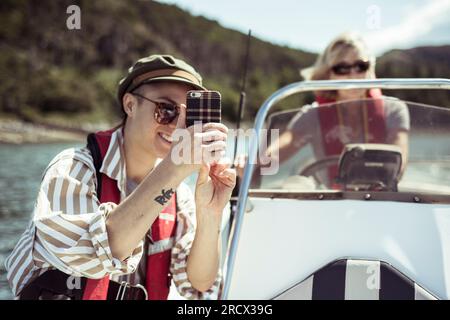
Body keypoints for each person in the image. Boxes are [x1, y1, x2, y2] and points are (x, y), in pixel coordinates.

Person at [5, 54, 236, 300]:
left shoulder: (180, 195)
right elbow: (98, 252)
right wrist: (175, 168)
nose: (176, 125)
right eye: (166, 109)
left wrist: (210, 213)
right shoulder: (74, 168)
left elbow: (198, 284)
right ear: (130, 105)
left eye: (187, 116)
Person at [259, 32, 410, 188]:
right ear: (328, 74)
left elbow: (399, 162)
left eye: (360, 66)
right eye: (342, 68)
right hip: (331, 204)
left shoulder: (394, 110)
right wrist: (251, 163)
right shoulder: (312, 116)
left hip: (381, 201)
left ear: (370, 69)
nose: (353, 75)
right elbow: (280, 149)